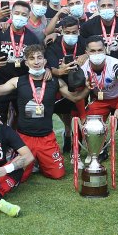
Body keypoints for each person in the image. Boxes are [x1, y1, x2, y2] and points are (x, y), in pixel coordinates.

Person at [0, 44, 79, 179]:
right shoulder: (18, 81)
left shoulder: (55, 82)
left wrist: (87, 87)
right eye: (32, 58)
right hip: (24, 138)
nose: (36, 61)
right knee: (19, 177)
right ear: (26, 62)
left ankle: (40, 161)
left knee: (58, 175)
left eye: (39, 58)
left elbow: (75, 98)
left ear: (45, 61)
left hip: (46, 137)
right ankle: (31, 159)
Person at [75, 36, 118, 174]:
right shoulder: (82, 68)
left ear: (105, 49)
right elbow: (79, 94)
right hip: (100, 100)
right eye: (92, 51)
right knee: (90, 126)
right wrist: (82, 116)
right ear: (86, 52)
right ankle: (99, 151)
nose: (97, 53)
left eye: (100, 50)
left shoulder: (116, 64)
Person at [0, 0, 40, 123]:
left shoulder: (32, 38)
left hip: (22, 85)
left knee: (23, 120)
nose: (20, 17)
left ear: (28, 16)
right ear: (11, 14)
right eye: (17, 13)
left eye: (24, 14)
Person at [45, 15, 88, 153]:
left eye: (74, 32)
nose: (71, 35)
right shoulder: (53, 44)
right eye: (68, 32)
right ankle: (67, 132)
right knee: (61, 112)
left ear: (78, 31)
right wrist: (60, 70)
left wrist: (87, 55)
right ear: (62, 31)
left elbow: (97, 50)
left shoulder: (83, 42)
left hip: (78, 84)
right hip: (60, 84)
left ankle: (77, 141)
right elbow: (51, 69)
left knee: (78, 114)